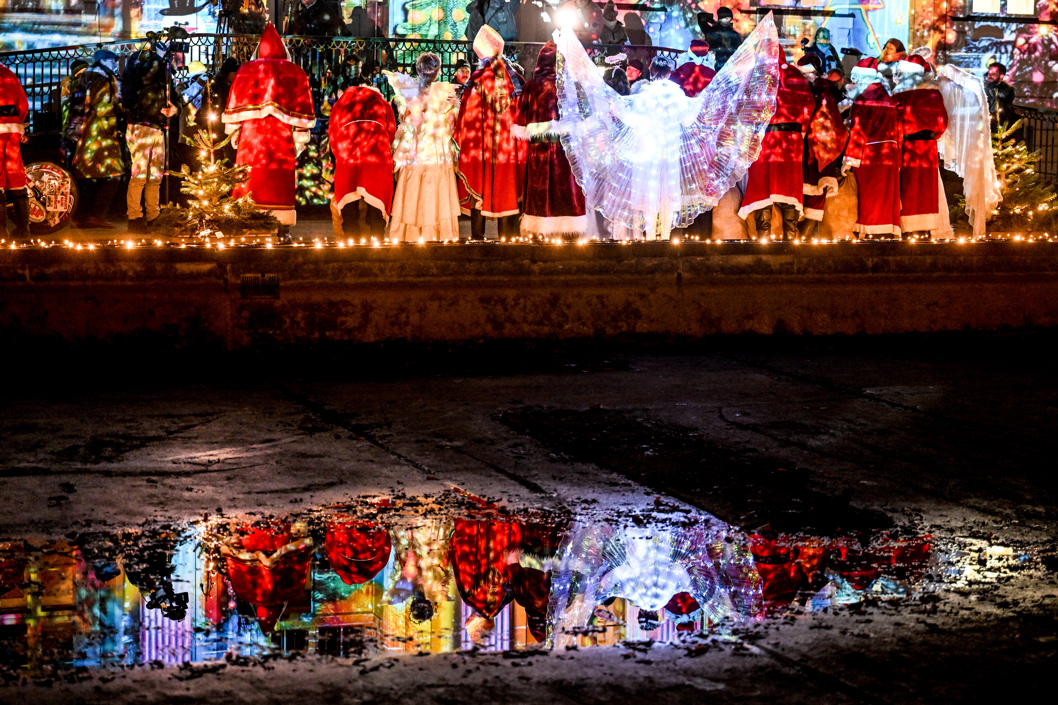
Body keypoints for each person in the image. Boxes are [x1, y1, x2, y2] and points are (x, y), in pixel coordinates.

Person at [553, 14, 781, 240]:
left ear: (652, 72)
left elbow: (627, 115)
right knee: (669, 203)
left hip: (648, 160)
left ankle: (652, 242)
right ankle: (665, 240)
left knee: (649, 203)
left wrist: (606, 101)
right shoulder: (677, 97)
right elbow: (693, 116)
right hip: (671, 159)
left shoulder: (645, 97)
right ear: (670, 74)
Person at [222, 24, 316, 228]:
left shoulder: (247, 70)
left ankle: (246, 219)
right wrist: (300, 135)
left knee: (250, 177)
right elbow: (303, 108)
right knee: (278, 179)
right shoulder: (295, 72)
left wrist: (235, 131)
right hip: (280, 136)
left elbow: (235, 104)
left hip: (252, 136)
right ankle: (280, 222)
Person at [455, 25, 526, 239]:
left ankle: (478, 240)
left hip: (481, 150)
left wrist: (460, 142)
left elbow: (468, 120)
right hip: (509, 150)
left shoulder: (476, 81)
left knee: (479, 188)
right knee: (509, 189)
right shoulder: (516, 81)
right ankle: (508, 240)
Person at [512, 41, 587, 239]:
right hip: (565, 148)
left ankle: (540, 230)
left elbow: (520, 121)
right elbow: (580, 117)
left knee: (540, 187)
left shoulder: (532, 87)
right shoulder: (568, 85)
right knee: (566, 187)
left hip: (540, 148)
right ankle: (569, 231)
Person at [738, 54, 815, 241]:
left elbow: (745, 106)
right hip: (791, 142)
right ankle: (791, 238)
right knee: (790, 188)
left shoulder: (758, 75)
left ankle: (763, 238)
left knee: (762, 187)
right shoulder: (796, 75)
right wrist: (801, 131)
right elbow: (809, 104)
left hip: (765, 141)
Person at [385, 53, 461, 241]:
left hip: (418, 145)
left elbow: (404, 119)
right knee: (436, 184)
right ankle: (437, 232)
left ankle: (410, 232)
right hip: (436, 146)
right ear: (438, 71)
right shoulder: (444, 92)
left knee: (414, 183)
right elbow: (452, 121)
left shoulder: (409, 90)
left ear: (418, 70)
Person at [121, 45, 180, 233]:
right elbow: (143, 79)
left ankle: (153, 215)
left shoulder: (161, 70)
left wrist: (175, 109)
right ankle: (135, 217)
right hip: (140, 126)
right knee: (139, 175)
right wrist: (157, 58)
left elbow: (174, 97)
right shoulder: (137, 64)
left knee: (155, 176)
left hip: (157, 127)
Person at [65, 49, 124, 230]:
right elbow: (103, 109)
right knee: (115, 176)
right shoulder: (101, 81)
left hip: (85, 136)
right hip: (100, 136)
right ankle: (95, 215)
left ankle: (80, 216)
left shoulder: (84, 80)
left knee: (89, 177)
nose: (114, 64)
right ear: (104, 61)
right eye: (112, 60)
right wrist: (116, 126)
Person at [328, 83, 396, 239]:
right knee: (377, 192)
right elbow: (391, 130)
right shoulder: (383, 103)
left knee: (349, 192)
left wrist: (339, 154)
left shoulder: (341, 103)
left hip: (349, 151)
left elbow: (332, 131)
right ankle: (377, 235)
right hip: (376, 152)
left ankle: (351, 236)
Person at [843, 57, 901, 238]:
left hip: (871, 154)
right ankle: (886, 230)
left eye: (857, 78)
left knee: (870, 195)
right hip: (890, 153)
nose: (855, 82)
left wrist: (849, 159)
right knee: (887, 194)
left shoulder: (864, 98)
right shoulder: (887, 96)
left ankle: (871, 232)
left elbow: (859, 130)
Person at [893, 55, 948, 239]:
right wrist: (934, 136)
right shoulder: (934, 94)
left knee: (909, 185)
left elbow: (897, 122)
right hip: (929, 146)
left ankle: (908, 227)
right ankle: (925, 228)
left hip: (908, 145)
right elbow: (942, 122)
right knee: (927, 187)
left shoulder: (901, 94)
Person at [796, 53, 847, 236]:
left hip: (810, 145)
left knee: (810, 193)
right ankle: (804, 240)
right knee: (814, 194)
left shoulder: (809, 86)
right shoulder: (820, 87)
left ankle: (801, 240)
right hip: (815, 146)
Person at [0, 62, 31, 240]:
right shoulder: (8, 74)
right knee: (15, 175)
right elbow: (23, 104)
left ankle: (1, 232)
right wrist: (17, 122)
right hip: (11, 127)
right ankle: (23, 230)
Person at [286, 0, 351, 36]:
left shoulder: (325, 7)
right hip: (299, 50)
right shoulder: (296, 7)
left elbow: (337, 22)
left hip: (318, 50)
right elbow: (291, 27)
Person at [984, 62, 1016, 133]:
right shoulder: (983, 88)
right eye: (989, 73)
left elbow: (1003, 110)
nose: (990, 75)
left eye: (994, 73)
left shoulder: (1007, 91)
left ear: (1001, 76)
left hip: (998, 128)